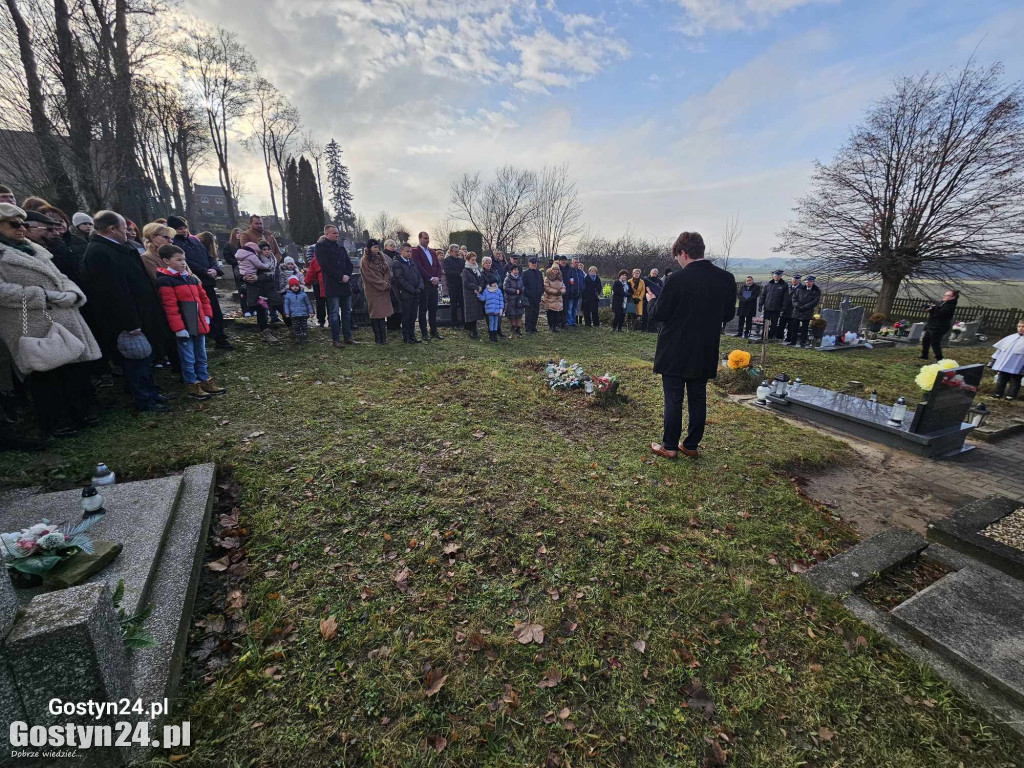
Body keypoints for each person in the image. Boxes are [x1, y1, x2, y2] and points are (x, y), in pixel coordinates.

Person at [0, 203, 102, 436]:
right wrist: (43, 296)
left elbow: (61, 276)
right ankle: (57, 421)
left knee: (73, 366)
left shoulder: (34, 249)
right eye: (14, 224)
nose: (21, 229)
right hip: (30, 319)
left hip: (63, 315)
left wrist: (72, 293)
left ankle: (82, 411)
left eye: (24, 224)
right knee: (45, 372)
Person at [649, 231, 736, 459]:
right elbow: (727, 315)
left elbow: (660, 314)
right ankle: (691, 445)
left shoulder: (676, 279)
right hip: (705, 348)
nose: (677, 261)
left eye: (677, 257)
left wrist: (651, 300)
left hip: (675, 348)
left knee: (674, 398)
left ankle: (669, 446)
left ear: (684, 253)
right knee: (698, 396)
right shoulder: (726, 279)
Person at [80, 210, 170, 412]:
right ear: (111, 229)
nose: (128, 233)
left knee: (145, 357)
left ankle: (152, 393)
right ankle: (144, 399)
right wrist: (131, 323)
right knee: (135, 359)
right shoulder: (99, 253)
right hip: (126, 320)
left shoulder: (119, 247)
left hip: (141, 312)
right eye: (123, 228)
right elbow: (114, 292)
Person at [155, 244, 226, 400]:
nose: (183, 263)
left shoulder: (191, 279)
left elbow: (204, 299)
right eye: (178, 259)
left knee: (201, 354)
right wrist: (179, 328)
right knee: (188, 357)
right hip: (184, 324)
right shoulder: (166, 281)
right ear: (166, 261)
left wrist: (207, 315)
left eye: (184, 259)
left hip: (197, 321)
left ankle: (204, 379)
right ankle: (192, 384)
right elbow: (170, 307)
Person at [168, 216, 233, 351]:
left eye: (185, 227)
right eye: (180, 229)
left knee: (215, 311)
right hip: (191, 283)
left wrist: (214, 268)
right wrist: (204, 271)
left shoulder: (194, 240)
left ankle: (220, 337)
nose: (184, 230)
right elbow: (187, 262)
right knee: (194, 312)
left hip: (208, 282)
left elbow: (209, 256)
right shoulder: (174, 245)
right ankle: (198, 342)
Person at [316, 224, 354, 349]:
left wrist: (347, 275)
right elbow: (325, 266)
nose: (337, 235)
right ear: (327, 234)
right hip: (333, 284)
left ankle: (348, 337)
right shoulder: (321, 247)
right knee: (333, 313)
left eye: (337, 233)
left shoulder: (340, 248)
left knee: (347, 311)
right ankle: (336, 339)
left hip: (345, 284)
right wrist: (340, 276)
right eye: (334, 233)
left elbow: (348, 263)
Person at [235, 242, 279, 343]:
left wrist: (258, 277)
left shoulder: (273, 261)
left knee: (280, 306)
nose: (266, 251)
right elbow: (239, 270)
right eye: (263, 249)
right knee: (261, 311)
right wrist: (245, 277)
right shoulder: (253, 259)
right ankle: (266, 332)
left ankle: (292, 328)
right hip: (258, 291)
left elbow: (274, 275)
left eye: (268, 249)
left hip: (271, 288)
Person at [360, 239, 393, 345]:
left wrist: (386, 282)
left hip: (383, 289)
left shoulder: (381, 258)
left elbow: (387, 271)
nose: (377, 249)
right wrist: (382, 284)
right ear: (369, 248)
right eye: (374, 247)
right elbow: (369, 276)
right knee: (375, 313)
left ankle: (384, 338)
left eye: (378, 247)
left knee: (382, 313)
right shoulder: (365, 260)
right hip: (373, 290)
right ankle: (378, 338)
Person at [412, 231, 443, 341]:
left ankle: (434, 330)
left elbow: (438, 266)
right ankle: (424, 332)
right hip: (425, 284)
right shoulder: (416, 251)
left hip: (434, 285)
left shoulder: (432, 251)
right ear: (419, 239)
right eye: (425, 238)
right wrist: (430, 278)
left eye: (428, 238)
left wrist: (438, 277)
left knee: (433, 308)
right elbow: (419, 267)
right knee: (423, 309)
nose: (427, 240)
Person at [391, 243, 423, 344]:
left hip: (415, 293)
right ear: (401, 251)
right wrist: (412, 289)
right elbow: (400, 279)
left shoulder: (412, 262)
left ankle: (412, 335)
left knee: (413, 316)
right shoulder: (397, 263)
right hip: (405, 294)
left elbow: (419, 276)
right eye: (407, 251)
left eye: (410, 251)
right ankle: (406, 336)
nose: (409, 253)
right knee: (406, 316)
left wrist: (420, 287)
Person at [991, 320, 1024, 400]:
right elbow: (1000, 349)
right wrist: (993, 359)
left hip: (1018, 365)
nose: (1021, 328)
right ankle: (998, 393)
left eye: (1023, 327)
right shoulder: (1011, 337)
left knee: (1015, 381)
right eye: (1019, 326)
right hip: (1005, 363)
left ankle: (1011, 395)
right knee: (1001, 379)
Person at [922, 290, 959, 361]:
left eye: (947, 295)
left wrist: (931, 310)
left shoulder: (950, 306)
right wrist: (928, 307)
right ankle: (924, 355)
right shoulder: (943, 302)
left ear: (953, 297)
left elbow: (940, 314)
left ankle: (939, 358)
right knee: (925, 340)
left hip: (939, 327)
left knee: (935, 342)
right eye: (944, 295)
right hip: (931, 325)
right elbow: (935, 308)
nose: (945, 296)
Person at [221, 228, 247, 317]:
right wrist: (236, 262)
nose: (239, 234)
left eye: (240, 233)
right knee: (241, 289)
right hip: (238, 269)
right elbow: (227, 257)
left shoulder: (244, 244)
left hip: (247, 268)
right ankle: (245, 309)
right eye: (237, 233)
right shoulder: (229, 245)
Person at [283, 277, 314, 344]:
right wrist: (286, 313)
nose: (295, 287)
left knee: (304, 326)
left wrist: (311, 312)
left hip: (303, 314)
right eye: (293, 286)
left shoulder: (303, 294)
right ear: (290, 287)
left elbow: (308, 303)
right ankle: (298, 337)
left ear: (299, 286)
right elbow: (286, 305)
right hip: (294, 314)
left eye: (296, 286)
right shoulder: (288, 295)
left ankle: (304, 337)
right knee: (296, 326)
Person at [792, 276, 821, 347]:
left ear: (813, 282)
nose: (808, 283)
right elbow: (794, 298)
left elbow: (815, 301)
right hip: (797, 310)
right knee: (794, 327)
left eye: (809, 282)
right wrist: (797, 305)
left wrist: (804, 307)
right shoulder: (800, 289)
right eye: (806, 282)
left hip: (807, 311)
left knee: (804, 328)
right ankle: (793, 342)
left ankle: (803, 342)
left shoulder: (816, 290)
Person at [462, 252, 485, 340]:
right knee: (470, 313)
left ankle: (474, 330)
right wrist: (475, 287)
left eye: (475, 260)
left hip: (477, 293)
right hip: (469, 294)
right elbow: (466, 283)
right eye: (472, 260)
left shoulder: (477, 269)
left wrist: (480, 287)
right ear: (468, 260)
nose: (474, 261)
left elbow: (481, 279)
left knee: (475, 313)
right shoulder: (465, 270)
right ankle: (472, 331)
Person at [304, 242, 327, 327]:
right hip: (320, 284)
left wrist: (308, 282)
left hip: (320, 283)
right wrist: (308, 282)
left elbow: (311, 271)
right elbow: (311, 271)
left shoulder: (317, 258)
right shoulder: (316, 258)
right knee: (325, 303)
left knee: (321, 303)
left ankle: (322, 321)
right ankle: (325, 321)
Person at [758, 270, 787, 340]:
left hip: (776, 308)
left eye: (778, 276)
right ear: (773, 276)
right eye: (775, 276)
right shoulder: (768, 284)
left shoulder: (784, 285)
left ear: (781, 276)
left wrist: (784, 308)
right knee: (765, 323)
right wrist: (760, 304)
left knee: (774, 324)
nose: (776, 277)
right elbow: (763, 295)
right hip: (767, 307)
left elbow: (785, 298)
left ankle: (771, 337)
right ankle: (764, 336)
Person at [442, 243, 465, 329]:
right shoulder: (447, 260)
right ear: (450, 251)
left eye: (457, 251)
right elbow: (447, 272)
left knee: (463, 305)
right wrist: (459, 274)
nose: (457, 253)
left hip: (461, 286)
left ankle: (464, 322)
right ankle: (454, 323)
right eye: (455, 251)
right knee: (454, 305)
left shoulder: (461, 261)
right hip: (452, 286)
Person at [479, 277, 505, 342]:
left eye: (495, 283)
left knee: (496, 322)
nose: (495, 284)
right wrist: (478, 295)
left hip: (497, 310)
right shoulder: (486, 291)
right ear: (490, 284)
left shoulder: (498, 291)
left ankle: (495, 335)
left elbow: (501, 300)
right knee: (491, 322)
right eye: (493, 283)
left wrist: (501, 308)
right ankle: (491, 335)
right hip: (490, 310)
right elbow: (483, 298)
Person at [522, 256, 544, 334]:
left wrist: (541, 292)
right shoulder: (525, 273)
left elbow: (542, 284)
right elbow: (523, 285)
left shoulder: (539, 273)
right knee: (529, 313)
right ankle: (528, 328)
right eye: (533, 263)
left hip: (537, 296)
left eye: (535, 263)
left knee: (536, 312)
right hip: (529, 297)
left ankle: (534, 327)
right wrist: (528, 293)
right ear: (529, 264)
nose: (534, 264)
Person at [503, 263, 525, 336]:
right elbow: (505, 288)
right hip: (511, 299)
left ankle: (518, 328)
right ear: (511, 271)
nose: (516, 271)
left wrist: (521, 290)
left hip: (519, 299)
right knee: (512, 315)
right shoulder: (508, 279)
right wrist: (515, 291)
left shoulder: (519, 278)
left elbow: (522, 286)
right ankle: (513, 327)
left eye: (517, 270)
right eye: (515, 270)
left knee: (519, 314)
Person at [541, 266, 566, 333]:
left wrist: (562, 291)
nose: (555, 271)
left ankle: (555, 326)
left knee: (557, 314)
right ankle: (551, 326)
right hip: (550, 298)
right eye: (554, 269)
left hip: (558, 298)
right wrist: (555, 291)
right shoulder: (547, 278)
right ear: (551, 270)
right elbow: (546, 288)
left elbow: (563, 286)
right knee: (550, 313)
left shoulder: (560, 278)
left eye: (557, 269)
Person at [780, 274, 802, 344]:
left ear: (799, 281)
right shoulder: (788, 287)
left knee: (791, 326)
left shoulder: (801, 288)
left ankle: (789, 339)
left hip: (794, 309)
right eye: (793, 280)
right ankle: (779, 337)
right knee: (781, 324)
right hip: (785, 308)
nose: (794, 281)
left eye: (796, 280)